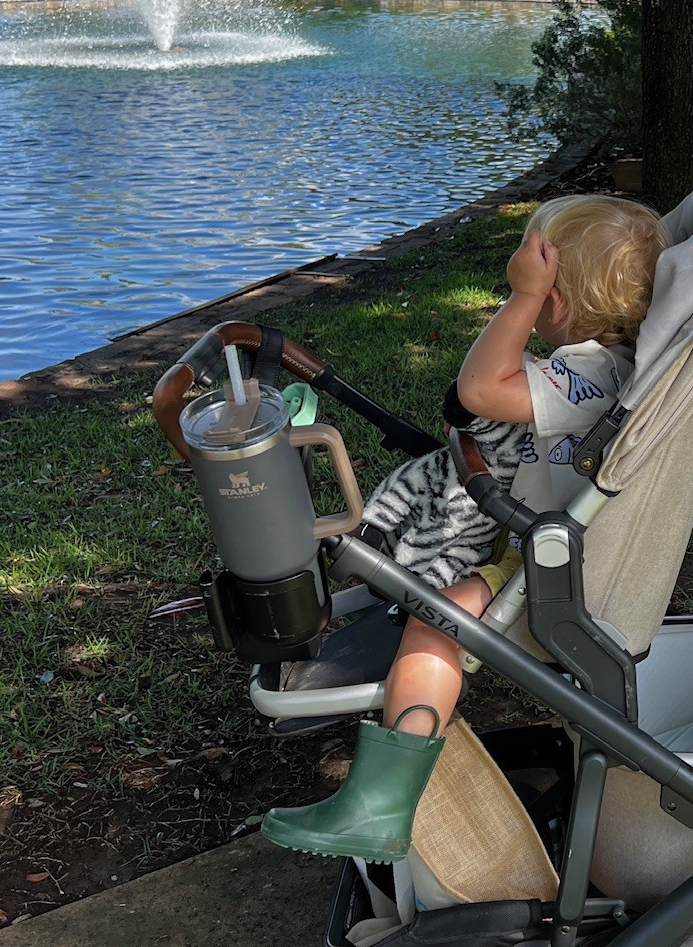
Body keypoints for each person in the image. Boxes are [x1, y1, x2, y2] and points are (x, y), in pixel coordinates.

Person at [263, 193, 668, 860]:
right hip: (534, 541)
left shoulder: (590, 374)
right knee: (430, 600)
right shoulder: (602, 367)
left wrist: (520, 299)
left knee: (436, 623)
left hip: (549, 564)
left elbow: (479, 389)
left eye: (542, 287)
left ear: (558, 301)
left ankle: (380, 805)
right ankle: (385, 784)